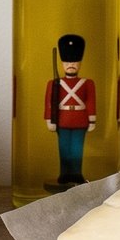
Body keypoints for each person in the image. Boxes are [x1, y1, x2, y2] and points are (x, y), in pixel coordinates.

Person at [44, 33, 96, 189]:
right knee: (64, 149)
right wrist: (49, 119)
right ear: (62, 63)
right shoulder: (54, 83)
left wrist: (92, 119)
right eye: (67, 62)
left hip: (80, 120)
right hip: (63, 119)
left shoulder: (87, 83)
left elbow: (90, 101)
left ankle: (76, 174)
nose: (71, 64)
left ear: (79, 63)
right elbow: (49, 102)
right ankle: (65, 173)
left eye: (74, 61)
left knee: (77, 149)